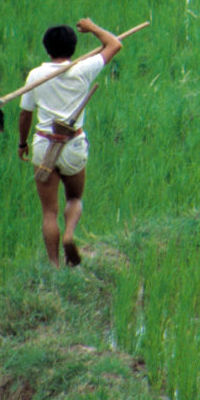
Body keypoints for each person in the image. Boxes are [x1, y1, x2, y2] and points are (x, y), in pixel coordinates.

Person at [17, 18, 124, 267]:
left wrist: (22, 144)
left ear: (47, 48)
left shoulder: (36, 75)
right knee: (74, 198)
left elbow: (25, 114)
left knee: (49, 211)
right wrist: (93, 28)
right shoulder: (84, 68)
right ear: (73, 47)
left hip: (44, 145)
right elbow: (114, 44)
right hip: (73, 144)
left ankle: (54, 266)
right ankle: (69, 234)